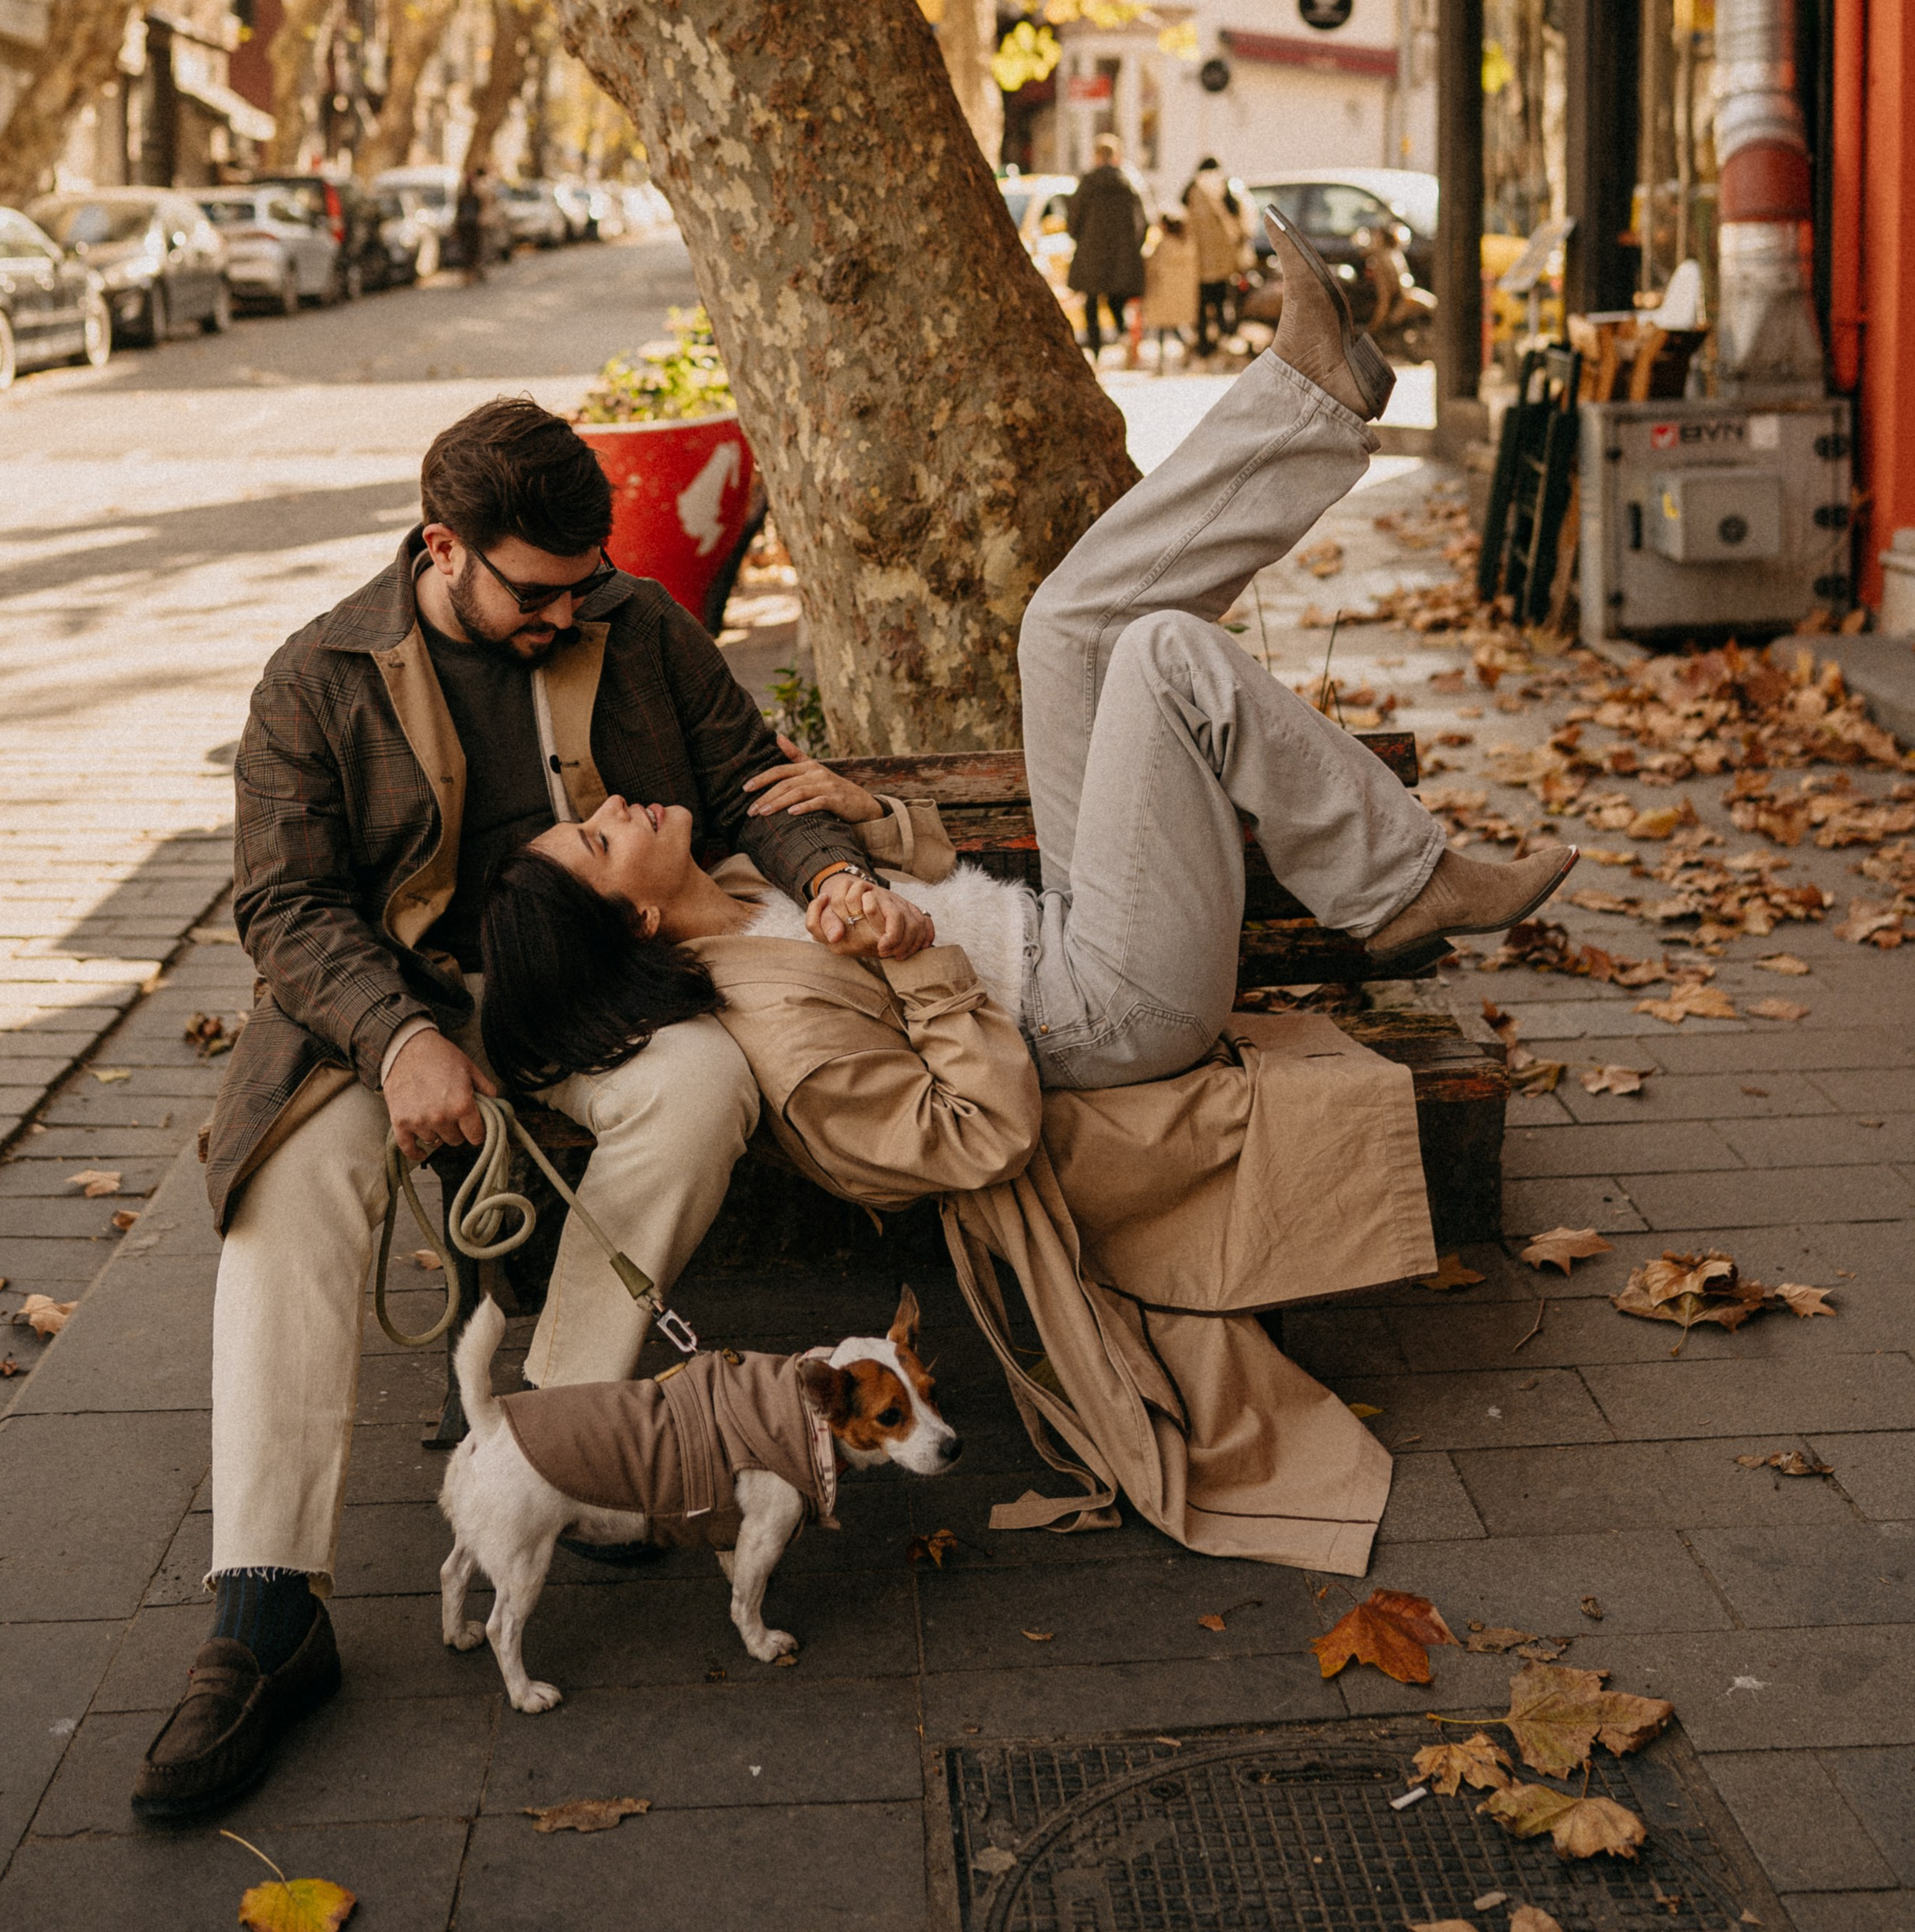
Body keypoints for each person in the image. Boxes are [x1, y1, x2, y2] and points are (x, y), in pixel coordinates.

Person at [470, 216, 1573, 1560]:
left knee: (1068, 625)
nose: (608, 807)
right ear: (635, 919)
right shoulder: (780, 1032)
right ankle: (1404, 883)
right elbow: (974, 1137)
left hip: (1068, 930)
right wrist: (920, 960)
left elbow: (949, 884)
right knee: (1162, 655)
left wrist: (881, 824)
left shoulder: (756, 870)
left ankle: (1312, 394)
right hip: (1108, 1010)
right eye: (596, 843)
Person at [131, 396, 922, 1827]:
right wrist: (398, 1036)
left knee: (702, 1083)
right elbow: (283, 905)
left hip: (588, 993)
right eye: (538, 592)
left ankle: (563, 1443)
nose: (572, 613)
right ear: (444, 548)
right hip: (381, 1004)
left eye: (585, 582)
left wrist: (828, 874)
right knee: (284, 1190)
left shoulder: (637, 623)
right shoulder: (315, 676)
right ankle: (265, 1608)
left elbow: (752, 779)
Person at [1065, 135, 1146, 357]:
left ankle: (1095, 351)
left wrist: (1080, 239)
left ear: (1097, 156)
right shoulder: (1130, 184)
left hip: (1091, 253)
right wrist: (1133, 247)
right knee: (1117, 299)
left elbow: (1073, 219)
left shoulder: (1088, 183)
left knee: (1091, 302)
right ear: (1117, 156)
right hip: (1122, 254)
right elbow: (1144, 220)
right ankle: (1123, 336)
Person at [1182, 156, 1245, 357]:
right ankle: (1223, 342)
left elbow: (1183, 214)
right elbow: (1238, 219)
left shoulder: (1192, 190)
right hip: (1222, 260)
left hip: (1199, 260)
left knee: (1201, 305)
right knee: (1221, 303)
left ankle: (1204, 345)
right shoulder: (1224, 188)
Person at [1139, 207, 1198, 368]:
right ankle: (1189, 345)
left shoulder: (1162, 246)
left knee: (1161, 330)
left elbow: (1151, 267)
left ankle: (1161, 361)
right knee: (1175, 326)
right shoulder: (1188, 246)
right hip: (1181, 296)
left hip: (1161, 292)